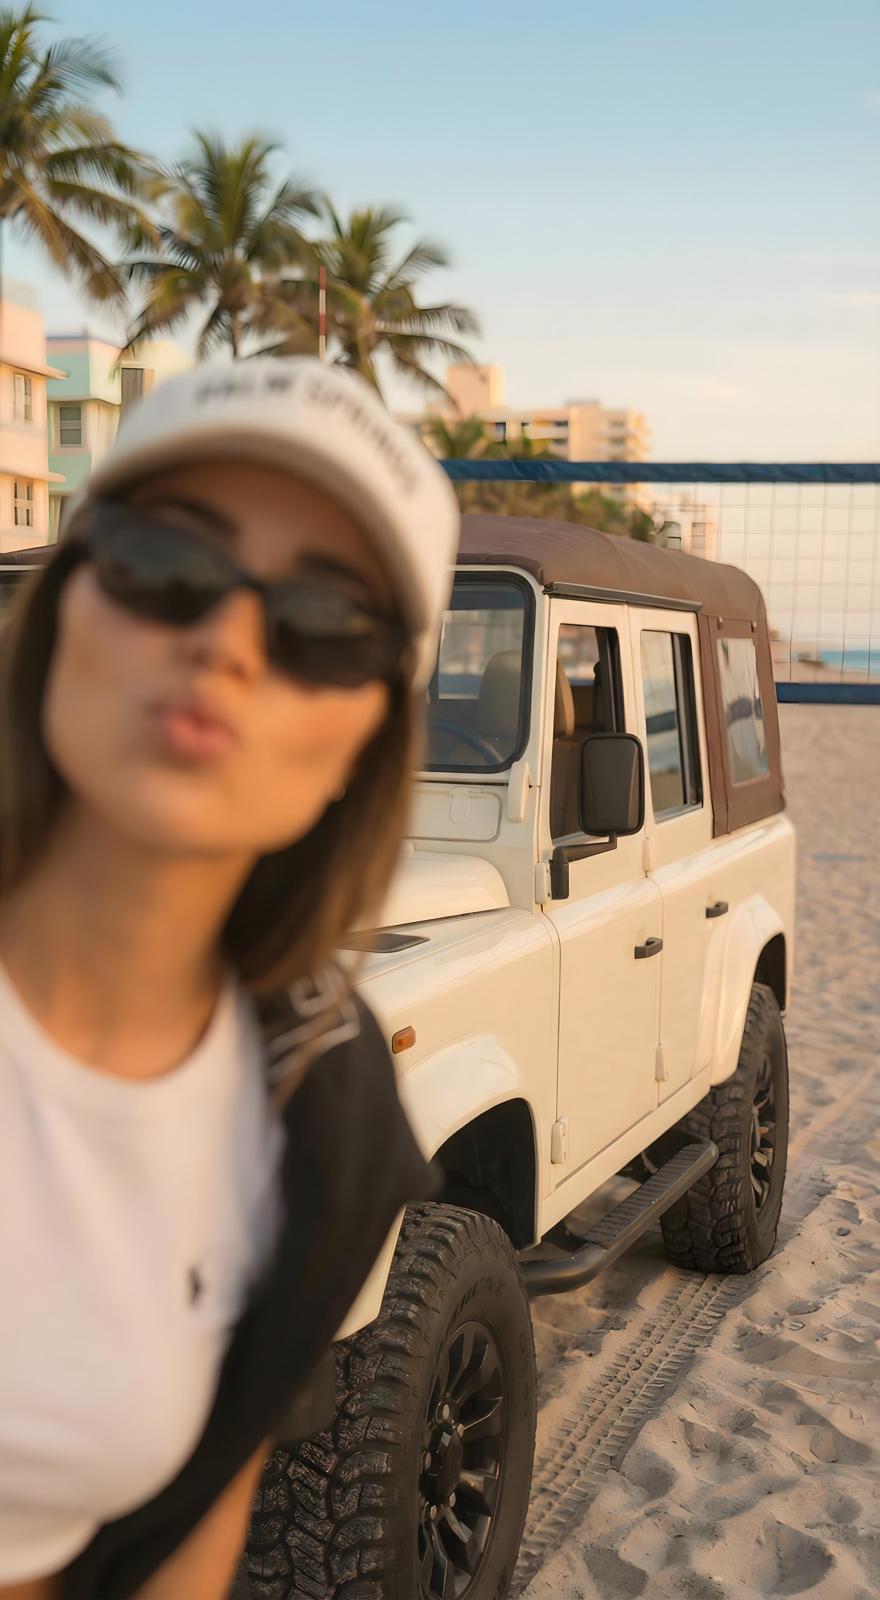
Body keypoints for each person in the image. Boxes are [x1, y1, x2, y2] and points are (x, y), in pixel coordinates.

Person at [0, 358, 459, 1600]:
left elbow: (199, 1528)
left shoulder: (322, 1109)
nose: (228, 641)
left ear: (365, 741)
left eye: (324, 626)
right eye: (166, 563)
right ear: (66, 606)